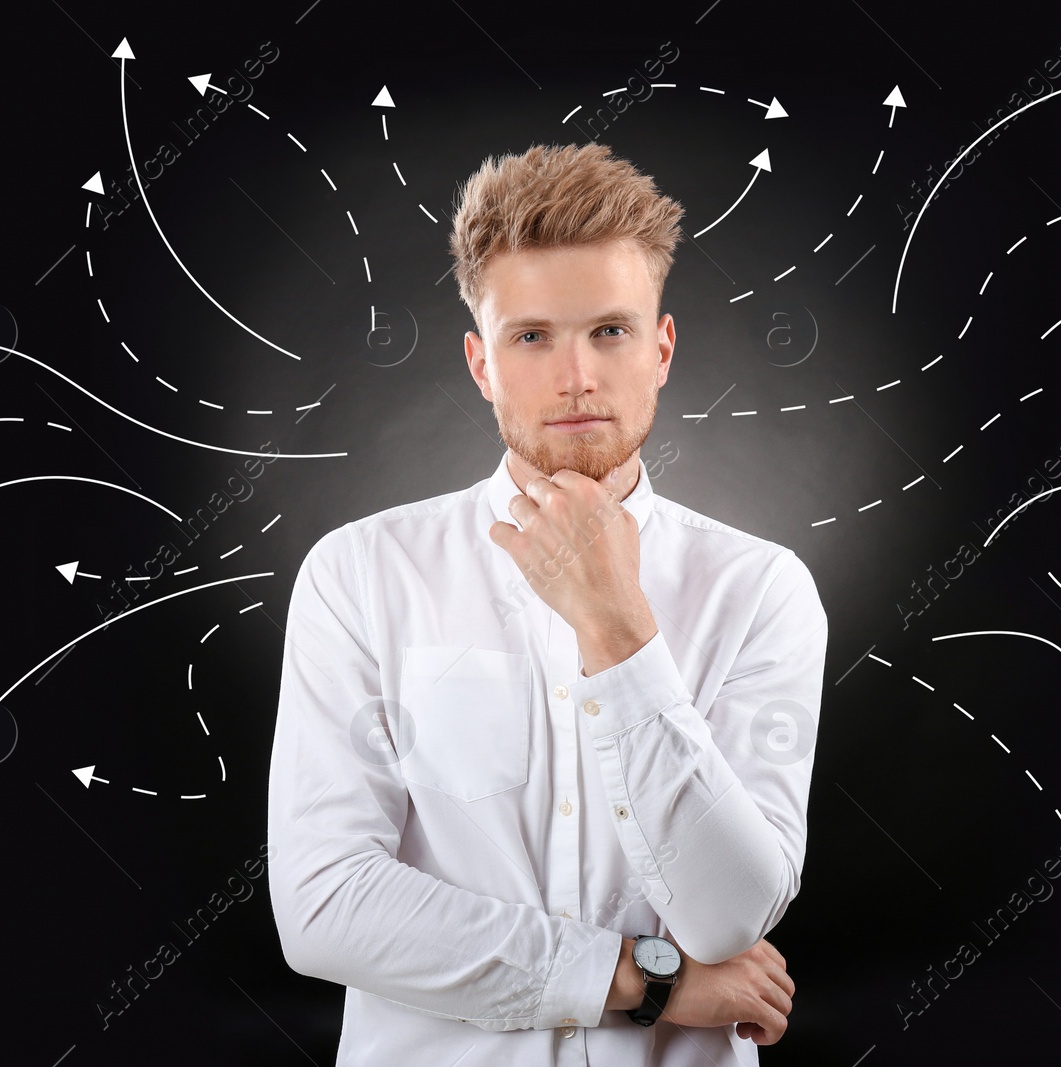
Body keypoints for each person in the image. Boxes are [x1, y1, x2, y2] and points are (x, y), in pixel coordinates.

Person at [268, 143, 829, 1065]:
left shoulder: (761, 589)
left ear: (661, 347)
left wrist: (616, 625)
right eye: (532, 336)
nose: (576, 376)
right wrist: (648, 981)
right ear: (481, 362)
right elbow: (326, 905)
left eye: (609, 330)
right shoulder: (359, 575)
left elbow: (731, 909)